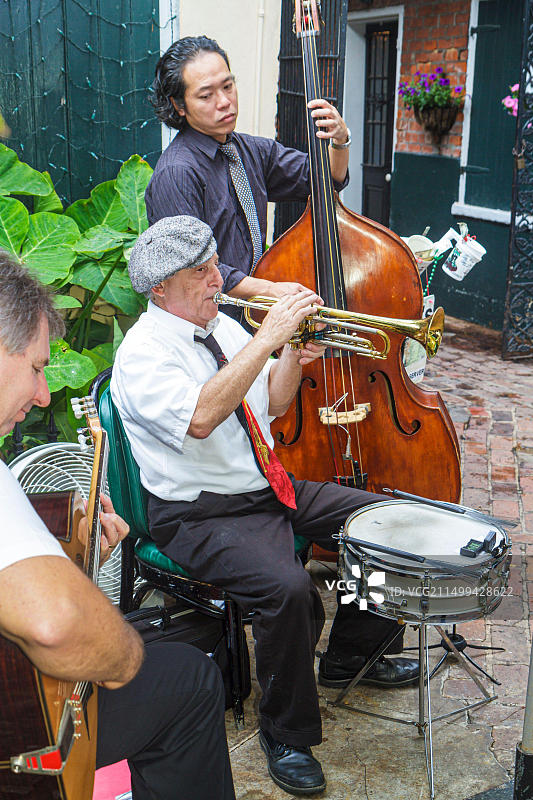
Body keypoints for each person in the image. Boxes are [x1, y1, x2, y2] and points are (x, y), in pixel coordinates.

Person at [111, 215, 419, 797]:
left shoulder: (222, 327)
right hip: (198, 513)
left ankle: (353, 655)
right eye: (198, 274)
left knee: (381, 520)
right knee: (288, 590)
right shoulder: (143, 355)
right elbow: (202, 418)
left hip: (266, 485)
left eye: (211, 265)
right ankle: (287, 733)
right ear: (159, 290)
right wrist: (264, 340)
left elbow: (273, 407)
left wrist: (293, 355)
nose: (215, 280)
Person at [0, 252, 235, 800]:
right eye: (36, 367)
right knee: (190, 679)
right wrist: (122, 653)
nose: (42, 395)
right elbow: (55, 624)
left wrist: (74, 557)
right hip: (16, 738)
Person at [146, 35, 352, 309]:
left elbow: (324, 179)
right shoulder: (176, 173)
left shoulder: (249, 149)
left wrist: (340, 140)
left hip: (256, 313)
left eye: (228, 86)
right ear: (178, 105)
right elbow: (193, 266)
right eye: (206, 95)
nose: (224, 101)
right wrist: (270, 289)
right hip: (211, 321)